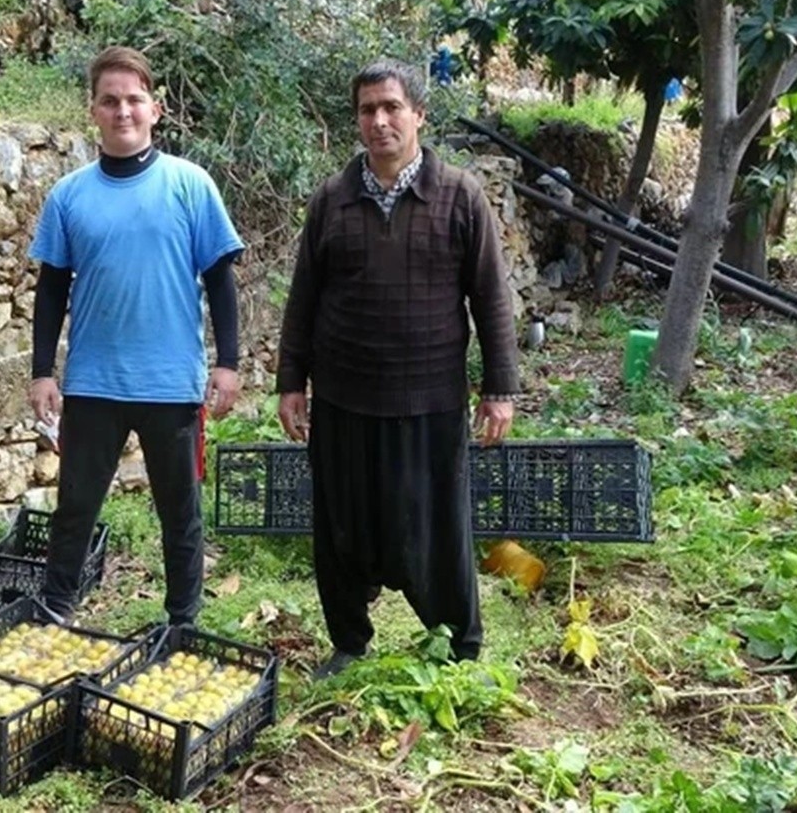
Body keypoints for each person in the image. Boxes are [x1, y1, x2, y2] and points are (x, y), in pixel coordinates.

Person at [276, 58, 520, 678]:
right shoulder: (332, 200)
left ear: (418, 116)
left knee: (434, 527)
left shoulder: (459, 195)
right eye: (367, 110)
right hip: (343, 398)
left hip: (429, 399)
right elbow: (303, 299)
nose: (379, 121)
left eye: (391, 108)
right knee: (341, 528)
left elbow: (491, 297)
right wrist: (290, 383)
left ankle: (456, 645)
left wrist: (499, 388)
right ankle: (350, 642)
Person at [29, 46, 245, 627]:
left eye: (133, 99)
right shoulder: (69, 196)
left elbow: (221, 279)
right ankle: (56, 612)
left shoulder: (191, 185)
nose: (122, 110)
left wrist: (228, 362)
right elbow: (51, 288)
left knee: (179, 511)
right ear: (93, 111)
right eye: (110, 100)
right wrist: (43, 371)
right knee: (75, 506)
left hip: (170, 382)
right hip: (95, 381)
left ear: (156, 108)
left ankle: (183, 621)